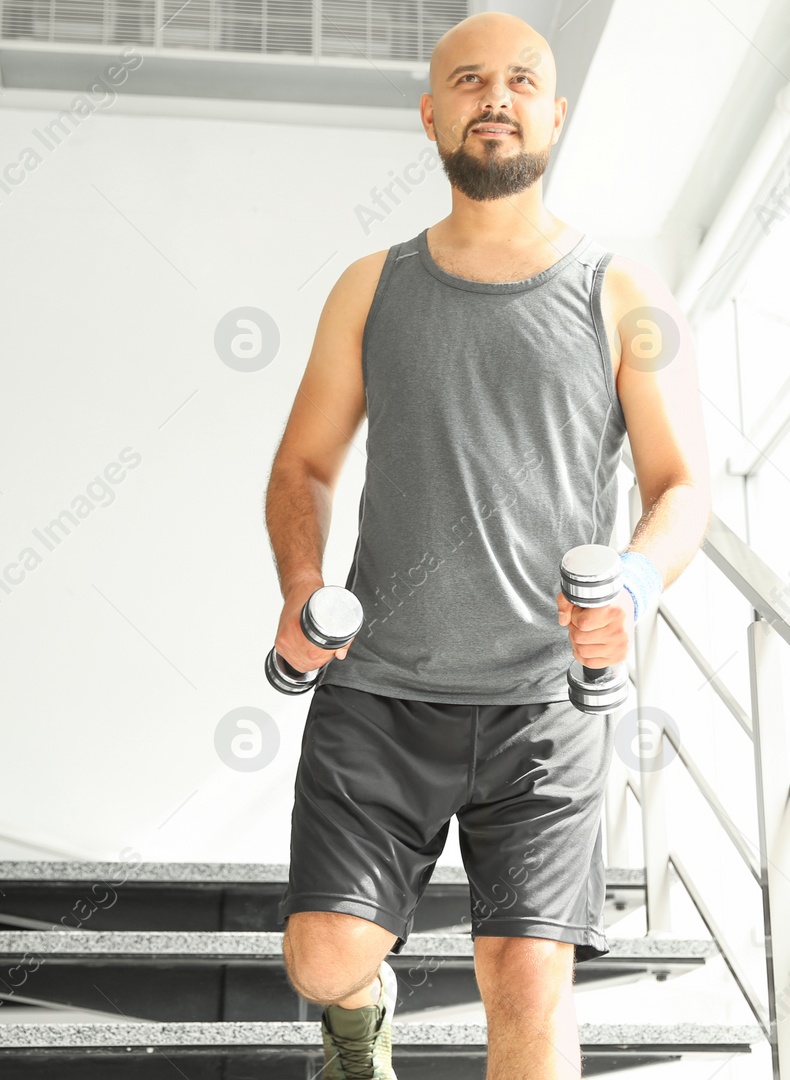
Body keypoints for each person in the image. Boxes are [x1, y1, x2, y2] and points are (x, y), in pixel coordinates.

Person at [263, 10, 712, 1077]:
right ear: (432, 115)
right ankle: (353, 1019)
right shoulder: (370, 286)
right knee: (323, 959)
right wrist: (299, 584)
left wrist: (635, 587)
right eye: (468, 81)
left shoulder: (626, 292)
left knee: (526, 983)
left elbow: (683, 487)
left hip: (545, 705)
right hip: (378, 687)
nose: (495, 97)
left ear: (554, 114)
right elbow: (303, 468)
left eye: (520, 81)